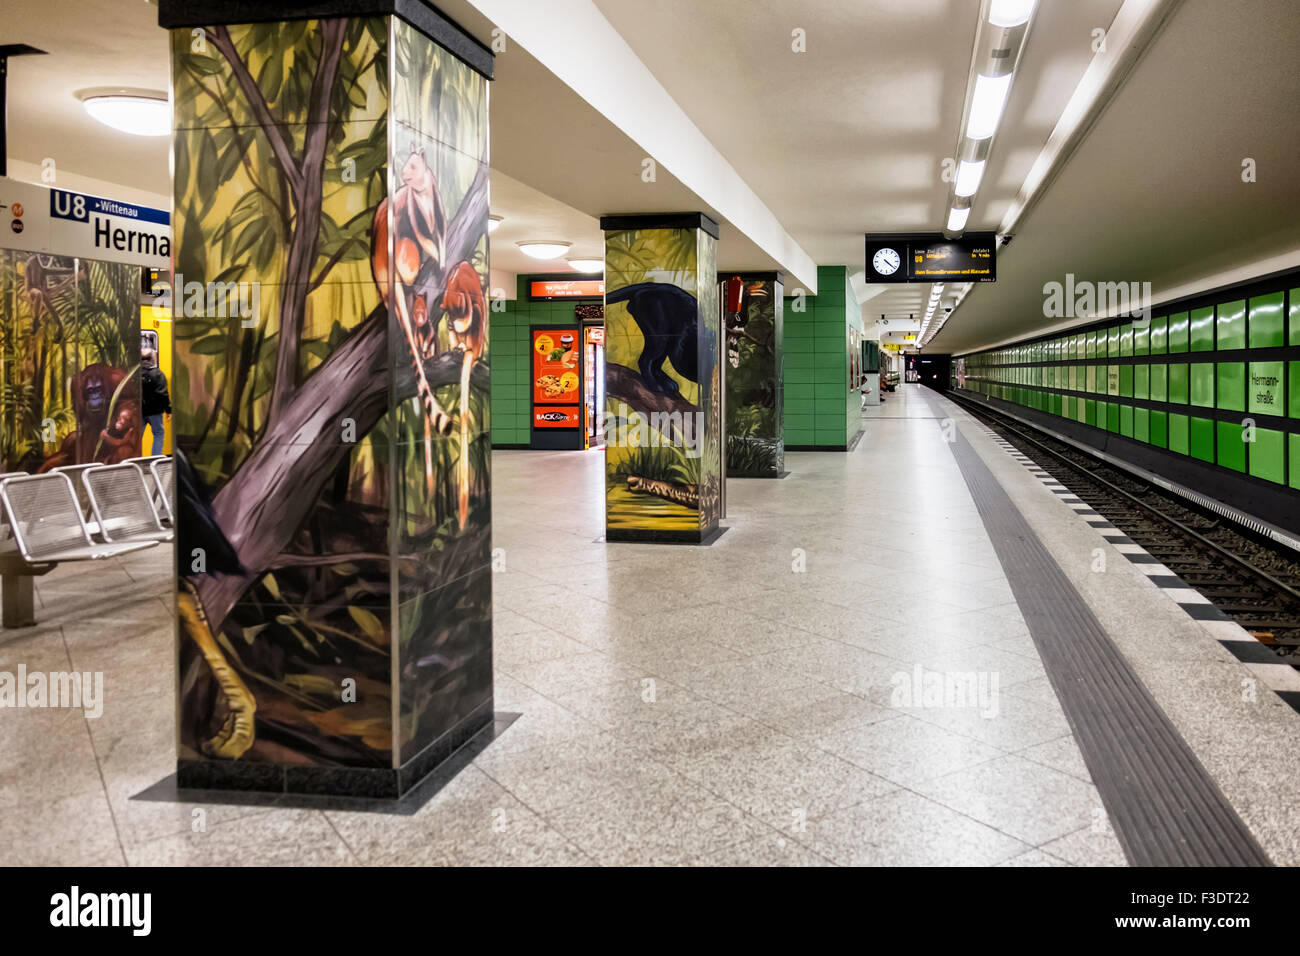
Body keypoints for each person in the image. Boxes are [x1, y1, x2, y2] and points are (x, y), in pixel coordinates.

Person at [141, 348, 171, 455]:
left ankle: (131, 460)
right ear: (152, 359)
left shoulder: (136, 375)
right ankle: (155, 460)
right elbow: (163, 394)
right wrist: (168, 410)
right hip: (155, 412)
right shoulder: (158, 374)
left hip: (140, 412)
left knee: (136, 437)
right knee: (158, 434)